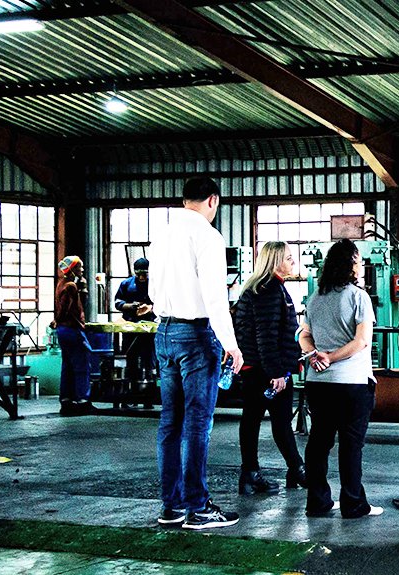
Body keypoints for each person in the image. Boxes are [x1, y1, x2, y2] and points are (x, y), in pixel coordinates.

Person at [150, 177, 243, 530]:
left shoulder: (163, 234)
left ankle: (171, 506)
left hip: (164, 331)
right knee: (197, 423)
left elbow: (154, 289)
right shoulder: (207, 236)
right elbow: (215, 298)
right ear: (212, 200)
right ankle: (198, 508)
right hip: (196, 334)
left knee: (169, 423)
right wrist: (231, 344)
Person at [299, 239, 383, 519]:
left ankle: (318, 502)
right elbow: (361, 342)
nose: (360, 266)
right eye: (358, 261)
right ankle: (353, 504)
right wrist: (331, 357)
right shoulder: (359, 297)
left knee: (319, 442)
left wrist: (315, 355)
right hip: (352, 382)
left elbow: (304, 336)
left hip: (319, 383)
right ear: (350, 265)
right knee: (350, 445)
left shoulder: (315, 298)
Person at [232, 241, 306, 495]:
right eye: (288, 258)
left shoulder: (260, 288)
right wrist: (277, 372)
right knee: (280, 422)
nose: (293, 261)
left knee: (253, 420)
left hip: (256, 368)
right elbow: (266, 335)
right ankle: (296, 469)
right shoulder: (269, 291)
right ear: (275, 261)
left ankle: (252, 474)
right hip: (268, 371)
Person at [55, 255, 94, 416]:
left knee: (67, 365)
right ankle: (82, 400)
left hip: (63, 330)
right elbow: (68, 308)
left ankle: (66, 399)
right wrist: (83, 288)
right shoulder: (71, 286)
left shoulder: (61, 284)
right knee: (82, 363)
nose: (82, 270)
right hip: (72, 329)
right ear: (72, 269)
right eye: (79, 267)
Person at [114, 258, 156, 385]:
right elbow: (117, 302)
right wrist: (129, 306)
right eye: (139, 274)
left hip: (149, 327)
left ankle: (148, 386)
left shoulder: (154, 285)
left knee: (148, 357)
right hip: (130, 326)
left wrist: (150, 309)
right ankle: (130, 385)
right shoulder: (126, 284)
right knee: (130, 356)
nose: (142, 277)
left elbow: (163, 303)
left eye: (145, 274)